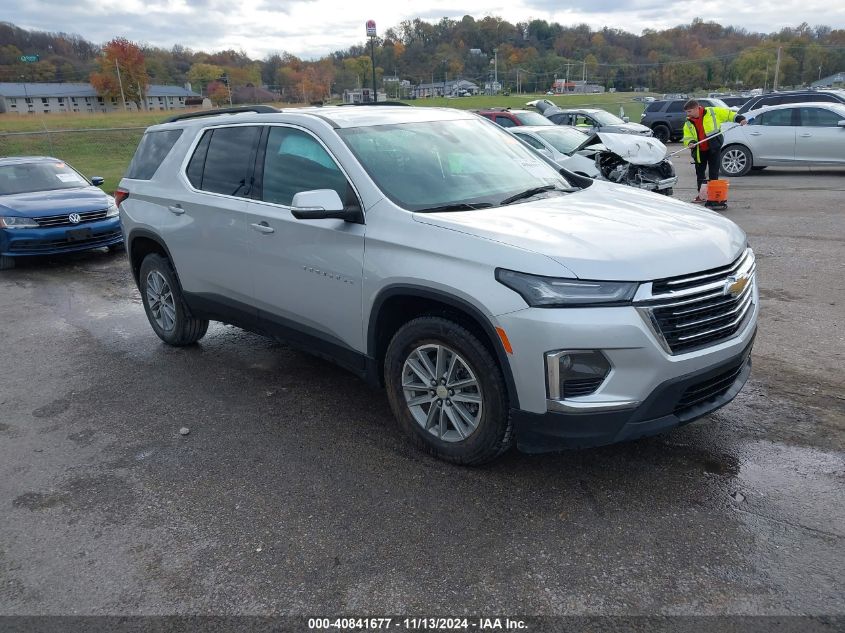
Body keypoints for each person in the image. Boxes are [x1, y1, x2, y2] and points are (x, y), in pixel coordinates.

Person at [682, 100, 747, 203]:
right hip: (699, 151)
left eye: (689, 111)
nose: (688, 114)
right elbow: (687, 136)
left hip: (714, 148)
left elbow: (729, 114)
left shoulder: (712, 112)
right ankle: (702, 196)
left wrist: (740, 119)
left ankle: (713, 196)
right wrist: (690, 142)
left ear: (696, 108)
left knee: (713, 173)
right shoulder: (688, 122)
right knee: (700, 174)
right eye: (687, 112)